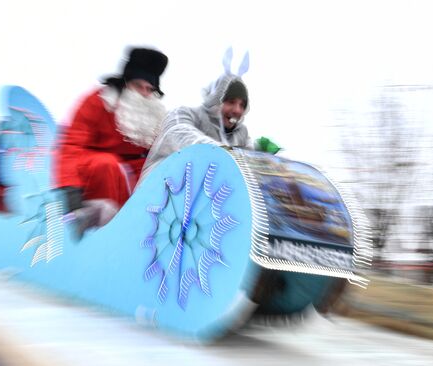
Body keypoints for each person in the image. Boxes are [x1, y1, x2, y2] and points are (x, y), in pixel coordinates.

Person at [54, 47, 168, 237]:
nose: (144, 94)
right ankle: (99, 230)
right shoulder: (98, 102)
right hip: (96, 174)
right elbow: (71, 145)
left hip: (131, 177)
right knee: (108, 165)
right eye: (139, 86)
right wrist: (70, 189)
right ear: (126, 83)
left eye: (150, 89)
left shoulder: (153, 113)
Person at [142, 69, 280, 178]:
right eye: (231, 102)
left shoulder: (240, 135)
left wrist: (261, 155)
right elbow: (180, 134)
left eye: (242, 105)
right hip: (156, 198)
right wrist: (228, 153)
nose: (237, 110)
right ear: (215, 101)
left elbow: (249, 156)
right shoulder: (184, 114)